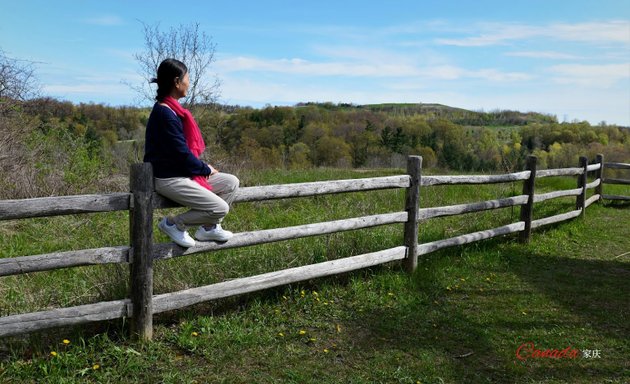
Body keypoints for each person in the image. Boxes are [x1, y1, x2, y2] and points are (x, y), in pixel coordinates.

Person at [144, 58, 239, 247]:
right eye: (187, 77)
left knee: (231, 183)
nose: (189, 82)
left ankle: (208, 228)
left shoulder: (173, 111)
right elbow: (181, 154)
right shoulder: (165, 114)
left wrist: (202, 168)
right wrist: (204, 169)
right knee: (220, 207)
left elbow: (183, 154)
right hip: (169, 178)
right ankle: (174, 224)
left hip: (183, 173)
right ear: (177, 82)